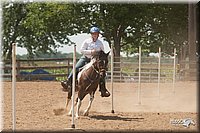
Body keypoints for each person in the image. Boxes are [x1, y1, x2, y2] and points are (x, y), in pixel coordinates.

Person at [61, 26, 110, 97]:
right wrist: (91, 51)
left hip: (95, 61)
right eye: (93, 33)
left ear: (98, 34)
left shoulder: (100, 43)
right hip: (86, 58)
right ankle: (68, 81)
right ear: (91, 34)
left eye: (96, 34)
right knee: (76, 67)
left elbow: (102, 52)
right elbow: (82, 50)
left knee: (102, 73)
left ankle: (103, 89)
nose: (95, 35)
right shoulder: (87, 41)